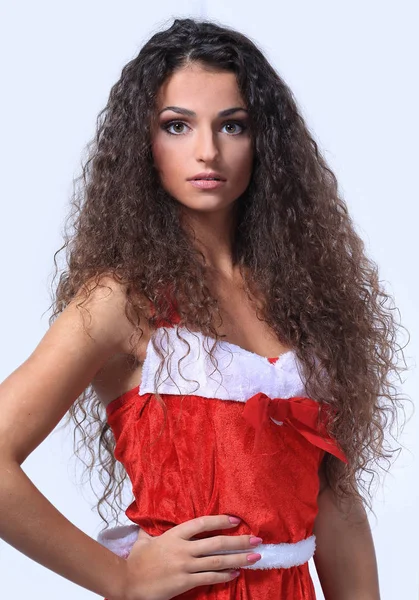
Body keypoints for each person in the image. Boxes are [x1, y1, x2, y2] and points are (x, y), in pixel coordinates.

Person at [0, 16, 408, 600]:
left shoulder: (302, 298)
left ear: (263, 140)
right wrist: (118, 577)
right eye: (177, 125)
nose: (208, 151)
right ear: (143, 143)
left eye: (232, 125)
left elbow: (333, 502)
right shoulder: (123, 300)